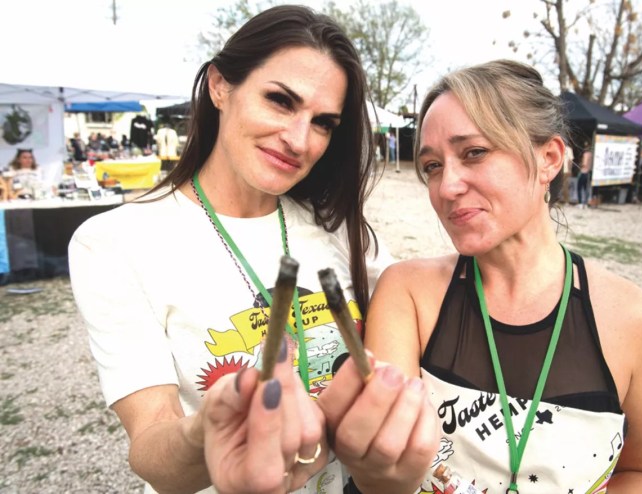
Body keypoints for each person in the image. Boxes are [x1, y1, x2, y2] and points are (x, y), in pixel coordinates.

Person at [68, 5, 436, 494]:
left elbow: (421, 318)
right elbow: (152, 451)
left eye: (324, 122)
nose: (299, 140)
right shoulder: (114, 242)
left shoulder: (341, 232)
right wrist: (206, 432)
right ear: (220, 86)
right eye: (280, 101)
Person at [364, 60, 642, 493]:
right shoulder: (409, 295)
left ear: (549, 158)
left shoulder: (631, 318)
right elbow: (384, 468)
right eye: (433, 166)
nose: (447, 187)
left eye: (474, 152)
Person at [577, 140, 592, 208]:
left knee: (579, 188)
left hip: (583, 172)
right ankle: (585, 203)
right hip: (588, 173)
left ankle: (580, 203)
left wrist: (579, 165)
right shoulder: (591, 154)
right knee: (586, 189)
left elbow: (584, 164)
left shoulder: (585, 154)